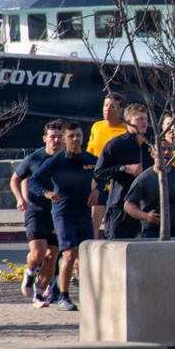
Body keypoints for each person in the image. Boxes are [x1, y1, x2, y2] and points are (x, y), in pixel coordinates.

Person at [27, 121, 102, 312]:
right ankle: (63, 297)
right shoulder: (57, 161)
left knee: (87, 256)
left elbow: (104, 176)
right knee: (69, 254)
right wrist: (47, 193)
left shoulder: (91, 160)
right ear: (65, 139)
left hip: (84, 213)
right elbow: (33, 181)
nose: (75, 139)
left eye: (78, 135)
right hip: (62, 213)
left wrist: (97, 191)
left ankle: (90, 297)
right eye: (71, 136)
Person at [10, 119, 64, 308]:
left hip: (58, 214)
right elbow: (15, 179)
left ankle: (39, 295)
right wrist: (19, 199)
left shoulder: (68, 159)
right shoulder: (34, 158)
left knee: (52, 255)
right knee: (39, 252)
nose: (56, 141)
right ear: (44, 138)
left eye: (59, 137)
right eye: (52, 137)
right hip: (36, 211)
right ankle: (30, 273)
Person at [94, 104, 155, 239]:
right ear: (128, 121)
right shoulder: (116, 144)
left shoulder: (152, 144)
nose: (144, 122)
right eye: (139, 119)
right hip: (119, 206)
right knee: (115, 248)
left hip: (144, 209)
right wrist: (124, 168)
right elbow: (99, 172)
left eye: (146, 119)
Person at [124, 138, 175, 239]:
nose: (167, 152)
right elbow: (128, 205)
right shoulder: (144, 179)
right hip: (152, 230)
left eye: (170, 149)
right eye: (162, 149)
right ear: (152, 154)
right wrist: (145, 216)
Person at [87, 93, 127, 238]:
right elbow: (90, 154)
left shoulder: (126, 130)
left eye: (112, 106)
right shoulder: (96, 127)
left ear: (121, 109)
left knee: (115, 223)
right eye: (105, 105)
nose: (107, 109)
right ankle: (88, 255)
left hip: (117, 182)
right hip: (98, 182)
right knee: (93, 221)